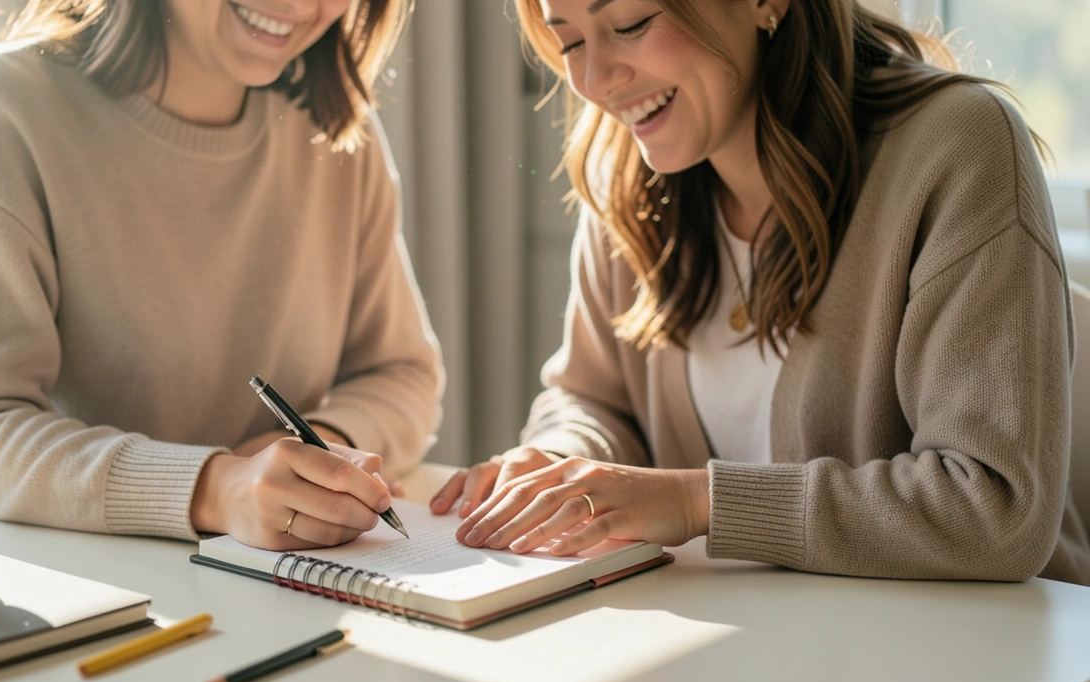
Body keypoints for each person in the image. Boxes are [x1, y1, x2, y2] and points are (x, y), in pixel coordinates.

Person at [431, 0, 1090, 589]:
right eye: (569, 42)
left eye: (630, 25)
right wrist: (562, 466)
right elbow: (592, 398)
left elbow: (996, 509)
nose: (596, 82)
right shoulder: (628, 173)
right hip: (752, 661)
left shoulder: (957, 147)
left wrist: (694, 503)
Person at [0, 0, 443, 552]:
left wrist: (307, 454)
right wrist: (217, 488)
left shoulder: (335, 129)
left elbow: (401, 374)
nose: (300, 4)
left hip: (282, 580)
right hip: (86, 591)